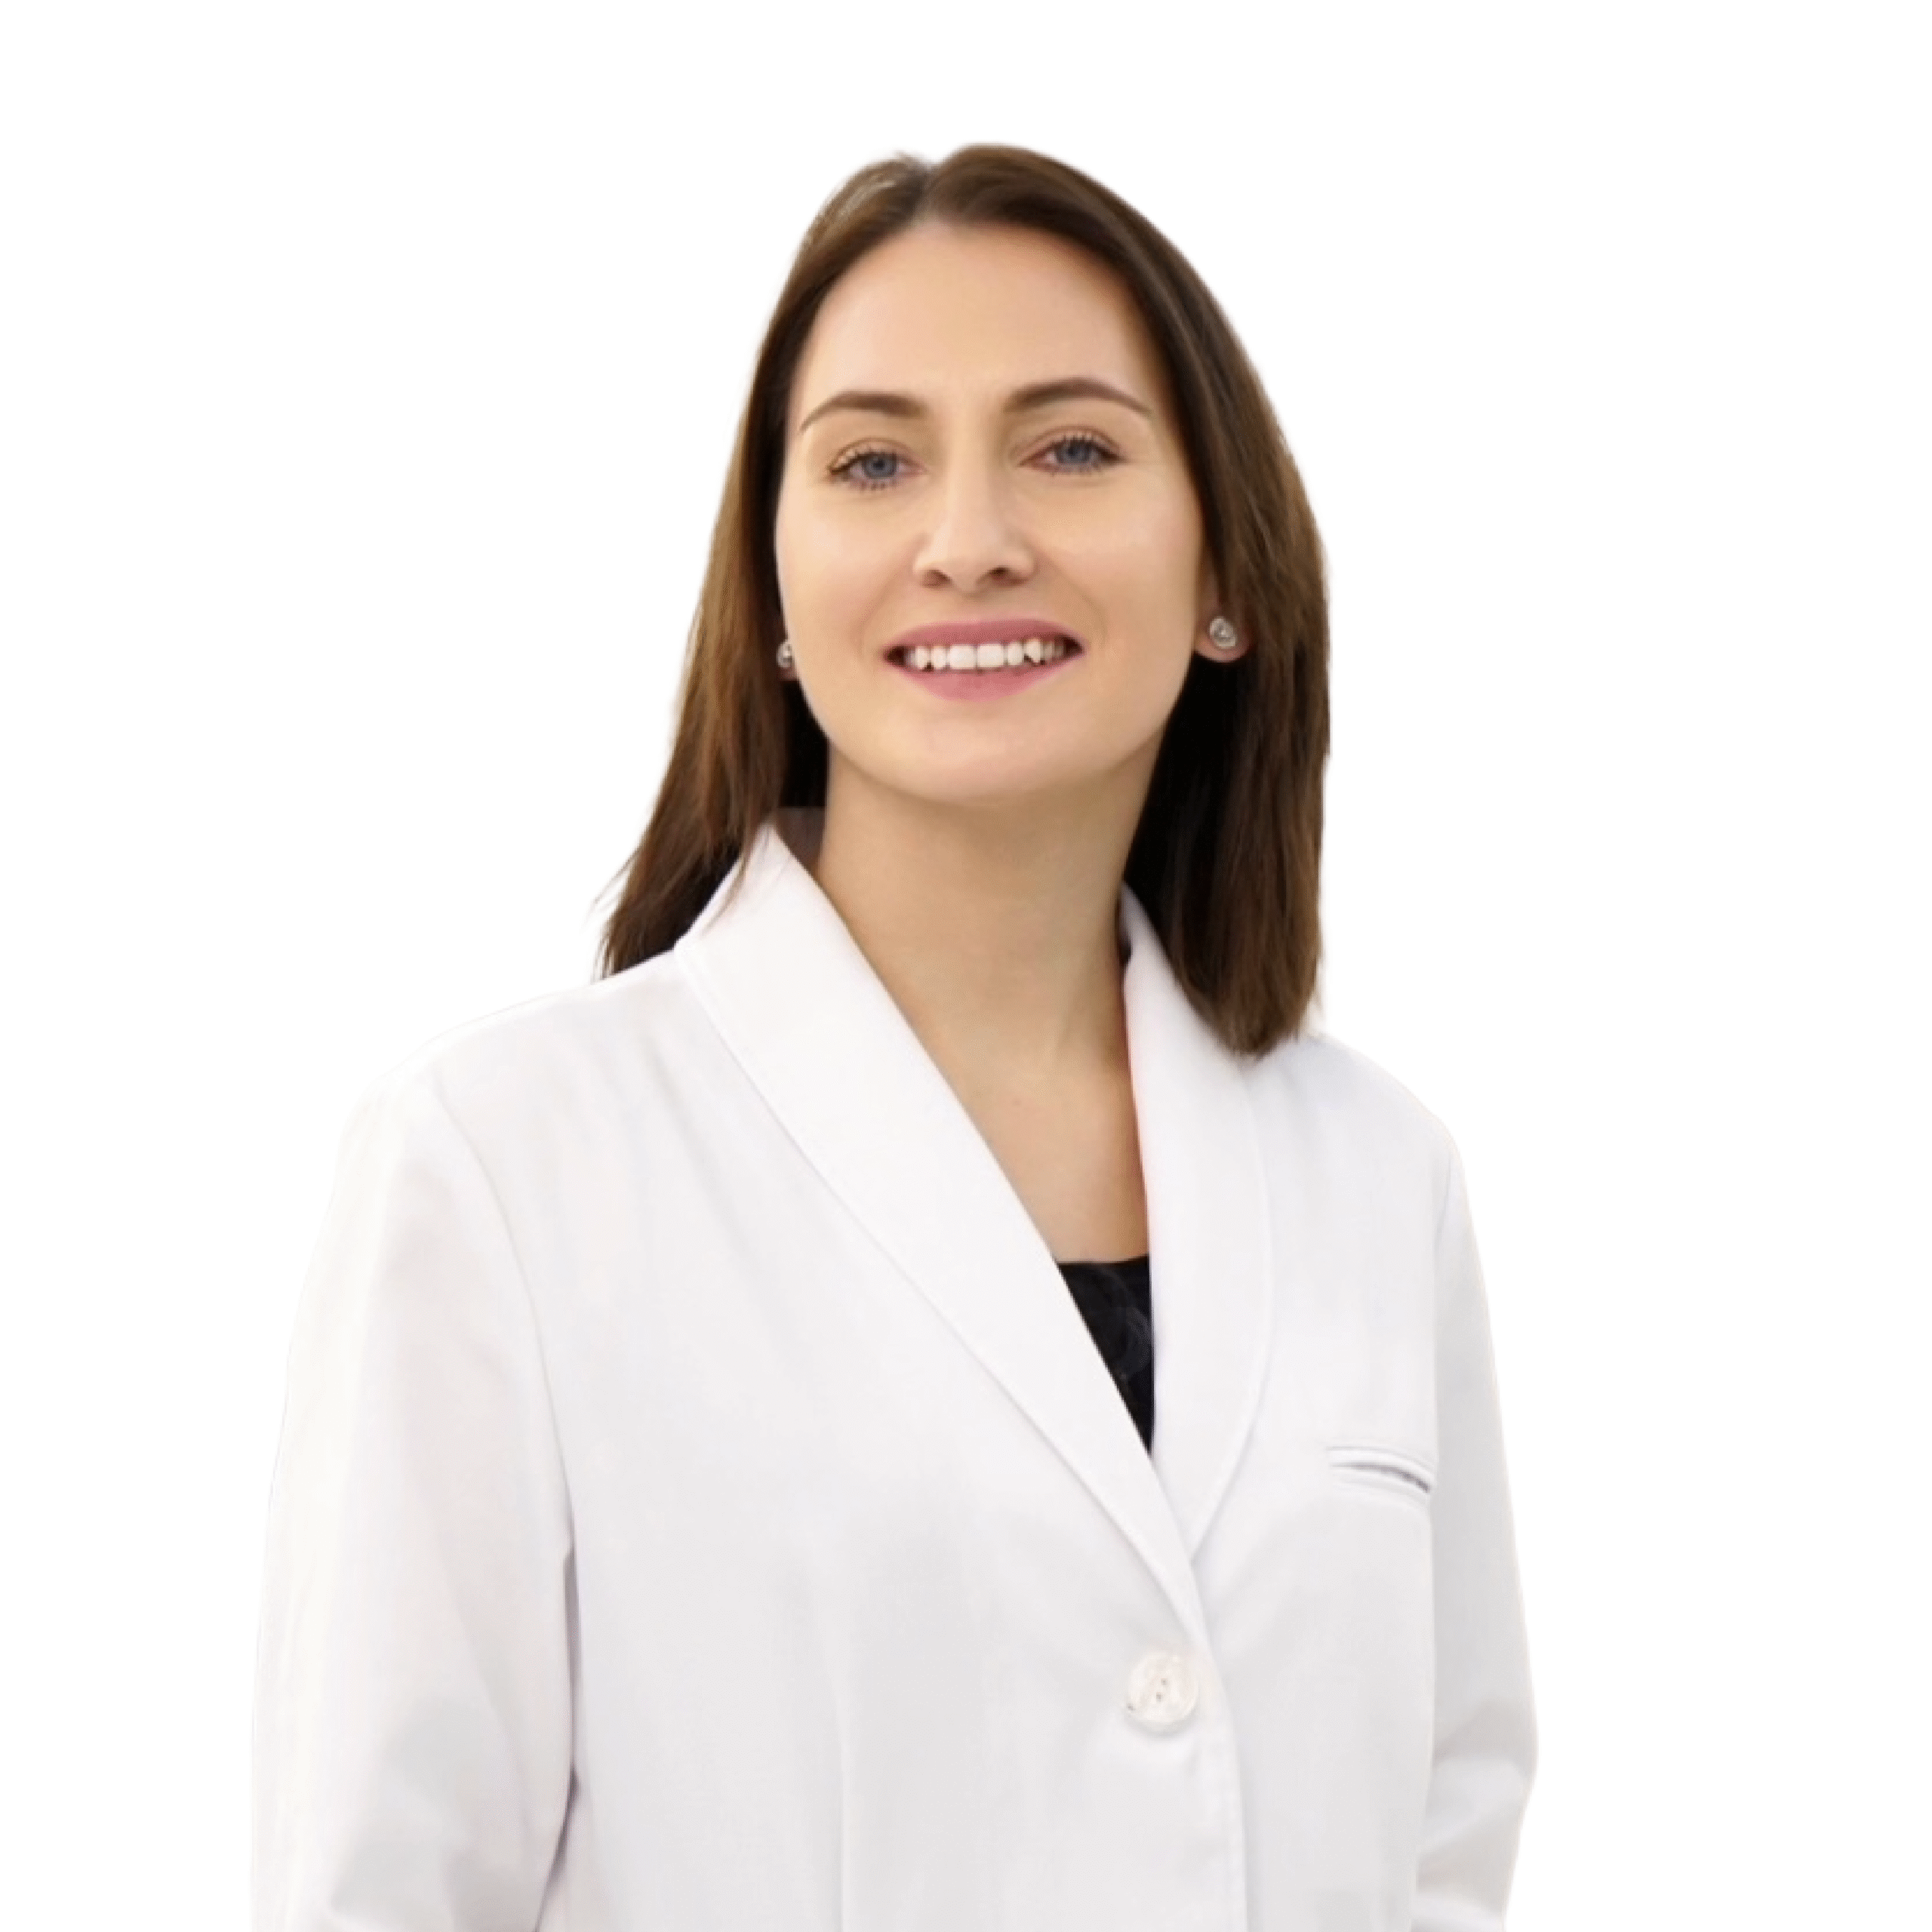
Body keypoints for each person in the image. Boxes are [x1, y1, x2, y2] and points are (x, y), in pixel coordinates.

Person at [252, 143, 1535, 1932]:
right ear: (774, 591)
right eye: (871, 461)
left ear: (1223, 568)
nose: (967, 537)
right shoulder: (503, 1168)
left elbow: (1438, 1848)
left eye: (1070, 448)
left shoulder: (1377, 1176)